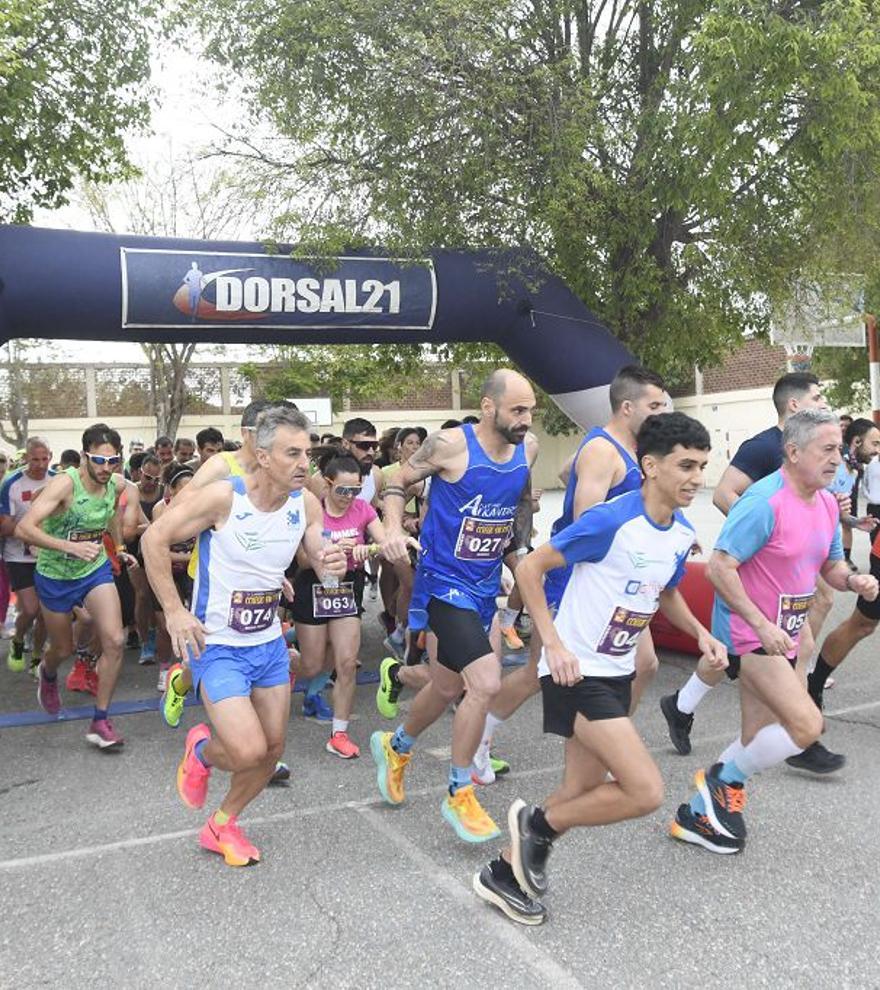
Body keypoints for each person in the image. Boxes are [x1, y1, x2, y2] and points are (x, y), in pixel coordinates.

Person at [473, 413, 725, 925]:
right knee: (644, 790)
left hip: (616, 671)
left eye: (702, 466)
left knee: (580, 793)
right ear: (650, 466)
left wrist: (700, 633)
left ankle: (501, 875)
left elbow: (666, 590)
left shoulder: (679, 532)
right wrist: (554, 644)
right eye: (685, 465)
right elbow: (529, 567)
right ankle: (534, 825)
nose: (696, 478)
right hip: (574, 671)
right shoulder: (612, 520)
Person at [141, 407, 348, 867]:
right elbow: (154, 540)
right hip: (217, 646)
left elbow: (316, 549)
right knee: (248, 749)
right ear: (262, 455)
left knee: (271, 751)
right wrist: (174, 612)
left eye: (307, 454)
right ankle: (199, 749)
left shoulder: (306, 500)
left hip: (269, 644)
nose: (303, 464)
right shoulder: (224, 498)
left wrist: (328, 562)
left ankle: (222, 824)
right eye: (292, 453)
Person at [669, 409, 878, 854]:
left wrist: (852, 579)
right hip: (750, 635)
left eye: (839, 450)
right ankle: (721, 781)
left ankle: (696, 814)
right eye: (826, 450)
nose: (836, 460)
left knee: (754, 735)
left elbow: (830, 564)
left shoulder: (823, 502)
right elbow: (720, 569)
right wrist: (760, 624)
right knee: (806, 723)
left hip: (783, 633)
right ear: (793, 451)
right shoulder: (764, 502)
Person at [371, 369, 538, 842]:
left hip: (485, 586)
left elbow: (518, 505)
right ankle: (459, 792)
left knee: (446, 686)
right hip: (444, 583)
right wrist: (391, 529)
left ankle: (396, 746)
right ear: (489, 407)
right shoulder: (449, 446)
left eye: (530, 411)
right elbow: (396, 483)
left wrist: (519, 555)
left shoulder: (527, 449)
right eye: (517, 410)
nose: (526, 420)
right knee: (484, 681)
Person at [659, 372, 835, 770]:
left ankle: (784, 737)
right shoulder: (761, 447)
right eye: (818, 397)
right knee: (725, 658)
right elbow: (724, 493)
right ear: (794, 406)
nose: (824, 404)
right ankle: (686, 709)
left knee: (799, 644)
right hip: (749, 577)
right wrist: (757, 538)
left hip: (786, 583)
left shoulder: (818, 449)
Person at [17, 424, 139, 748]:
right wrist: (68, 547)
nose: (106, 468)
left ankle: (100, 720)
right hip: (55, 576)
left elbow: (110, 514)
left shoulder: (115, 483)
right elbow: (24, 528)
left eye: (113, 461)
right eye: (99, 461)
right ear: (85, 456)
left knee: (114, 639)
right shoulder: (64, 485)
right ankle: (48, 670)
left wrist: (120, 548)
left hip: (94, 569)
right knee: (63, 649)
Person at [290, 452, 399, 758]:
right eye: (342, 490)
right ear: (327, 484)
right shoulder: (312, 510)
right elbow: (301, 560)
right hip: (313, 586)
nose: (348, 497)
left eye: (355, 490)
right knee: (311, 664)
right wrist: (332, 550)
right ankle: (279, 660)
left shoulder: (363, 509)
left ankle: (339, 733)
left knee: (347, 663)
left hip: (345, 589)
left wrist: (368, 548)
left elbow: (383, 543)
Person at [0, 437, 54, 674]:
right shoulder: (12, 484)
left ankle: (36, 656)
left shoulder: (57, 481)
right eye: (35, 459)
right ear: (25, 458)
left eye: (45, 459)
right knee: (30, 609)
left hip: (50, 556)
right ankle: (19, 639)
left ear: (51, 456)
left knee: (45, 612)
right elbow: (4, 526)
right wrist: (32, 533)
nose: (41, 464)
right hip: (19, 556)